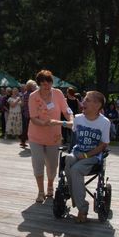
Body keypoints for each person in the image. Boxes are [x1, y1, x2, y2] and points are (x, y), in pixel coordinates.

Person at [60, 91, 110, 223]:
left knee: (75, 169)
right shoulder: (78, 118)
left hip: (92, 157)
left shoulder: (104, 122)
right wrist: (58, 124)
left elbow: (103, 144)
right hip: (77, 153)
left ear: (97, 105)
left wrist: (86, 155)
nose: (83, 102)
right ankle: (76, 196)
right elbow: (73, 134)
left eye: (87, 100)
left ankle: (82, 208)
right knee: (68, 159)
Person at [28, 70, 73, 203]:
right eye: (43, 84)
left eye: (48, 83)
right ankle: (41, 191)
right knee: (38, 163)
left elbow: (67, 110)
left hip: (54, 136)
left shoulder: (58, 94)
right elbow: (33, 118)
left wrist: (71, 119)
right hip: (36, 136)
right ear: (39, 84)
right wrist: (45, 123)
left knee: (52, 165)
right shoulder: (33, 96)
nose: (46, 87)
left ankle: (50, 185)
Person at [20, 80, 36, 148]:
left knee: (26, 128)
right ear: (31, 87)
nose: (35, 87)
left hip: (25, 113)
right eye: (34, 86)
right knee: (31, 129)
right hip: (31, 113)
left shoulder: (25, 93)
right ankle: (32, 142)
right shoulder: (32, 94)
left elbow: (22, 104)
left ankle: (23, 141)